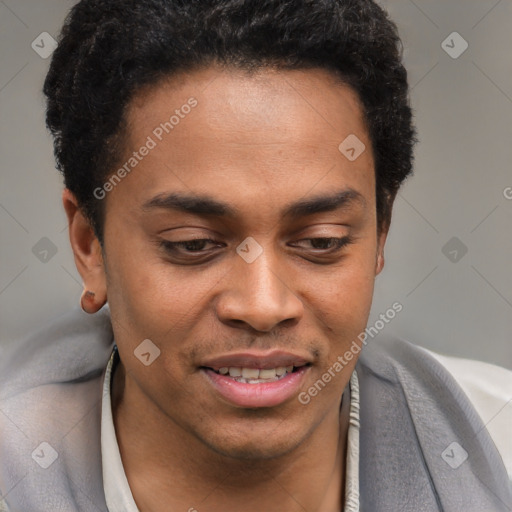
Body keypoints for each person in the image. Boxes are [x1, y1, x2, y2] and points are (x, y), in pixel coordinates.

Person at [0, 0, 511, 510]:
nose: (263, 306)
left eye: (321, 241)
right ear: (90, 247)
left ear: (380, 234)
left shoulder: (498, 442)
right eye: (192, 244)